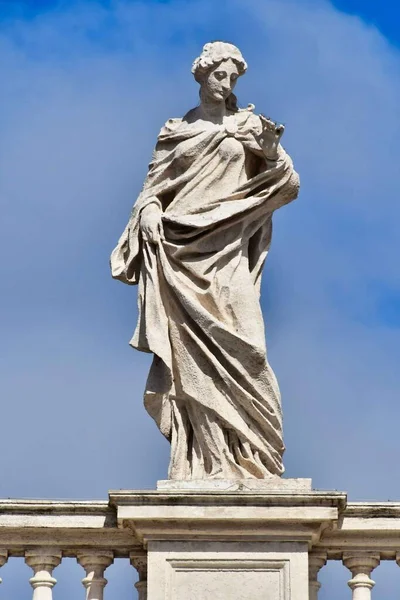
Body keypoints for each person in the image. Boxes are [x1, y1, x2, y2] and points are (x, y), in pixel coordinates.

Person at [111, 41, 300, 480]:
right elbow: (152, 190)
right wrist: (151, 211)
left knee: (247, 347)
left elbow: (288, 183)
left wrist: (270, 152)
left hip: (227, 251)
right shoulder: (177, 130)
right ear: (202, 75)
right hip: (181, 255)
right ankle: (203, 462)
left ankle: (255, 457)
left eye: (234, 77)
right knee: (188, 359)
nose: (227, 83)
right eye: (220, 74)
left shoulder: (250, 126)